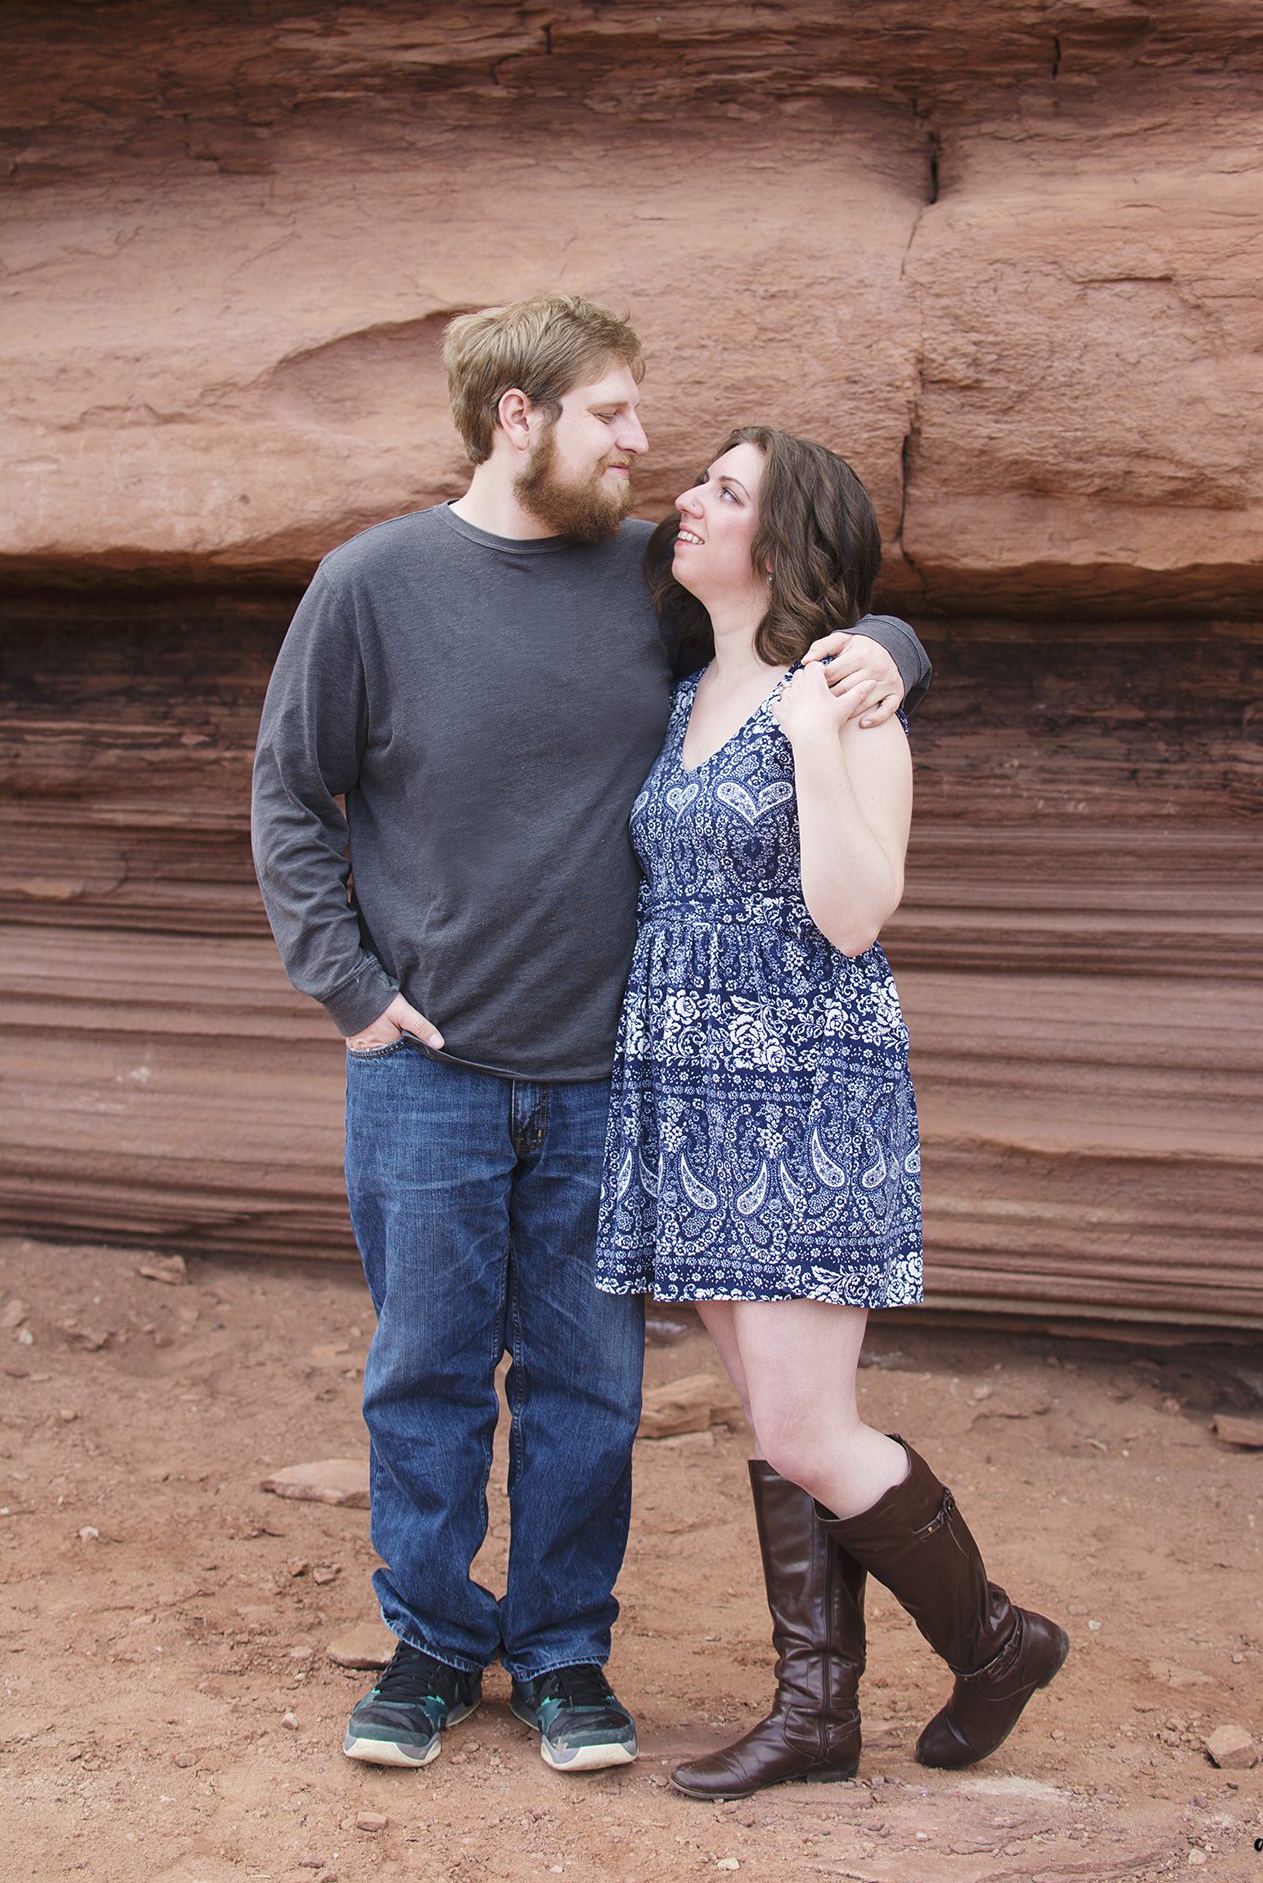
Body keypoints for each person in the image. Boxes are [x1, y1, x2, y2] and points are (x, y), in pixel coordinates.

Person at [250, 297, 932, 1778]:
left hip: (613, 1075)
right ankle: (431, 1642)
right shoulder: (369, 584)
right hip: (423, 1066)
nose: (647, 449)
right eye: (613, 413)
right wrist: (351, 990)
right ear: (518, 414)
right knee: (423, 1370)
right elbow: (291, 796)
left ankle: (563, 1652)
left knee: (587, 1388)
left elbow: (807, 615)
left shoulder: (652, 579)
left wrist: (893, 642)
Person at [595, 425, 1067, 1800]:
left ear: (782, 538)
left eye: (724, 493)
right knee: (771, 1421)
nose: (689, 499)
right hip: (689, 1093)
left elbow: (855, 910)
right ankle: (817, 1712)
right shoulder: (688, 678)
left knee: (808, 1428)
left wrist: (819, 725)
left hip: (802, 1092)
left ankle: (996, 1643)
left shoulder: (844, 696)